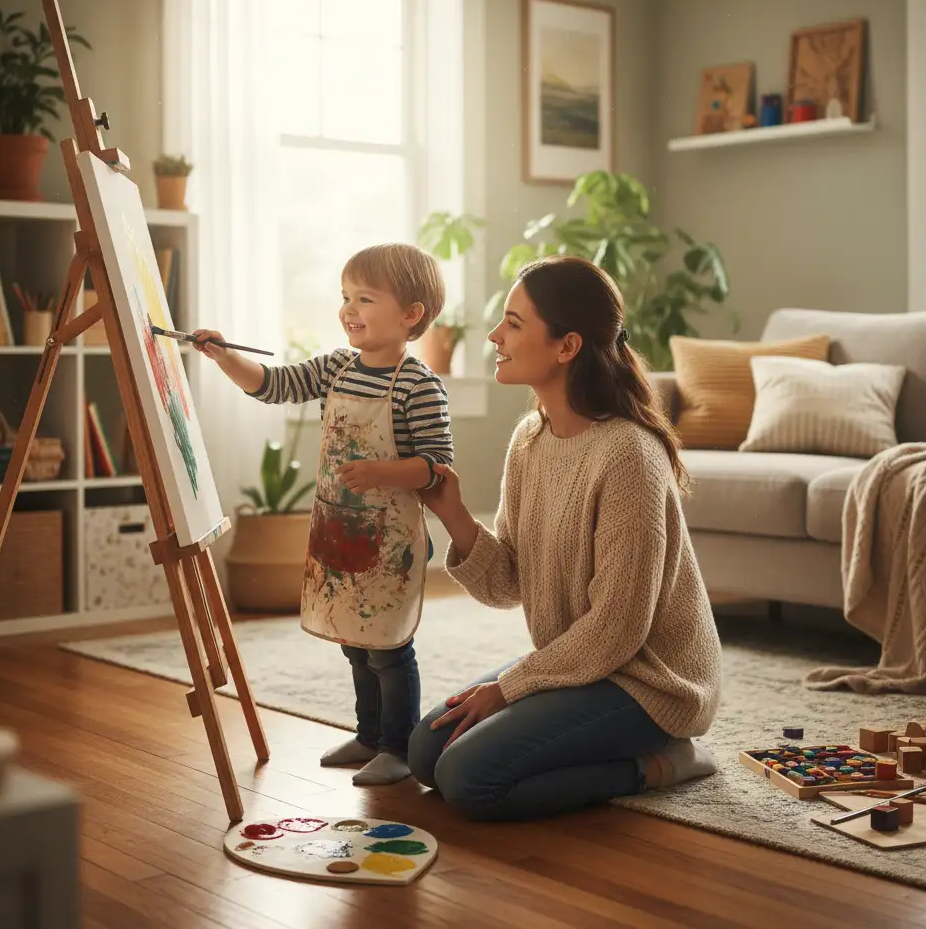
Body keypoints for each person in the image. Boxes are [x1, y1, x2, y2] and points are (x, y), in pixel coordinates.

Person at [408, 255, 722, 821]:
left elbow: (616, 629)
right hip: (581, 663)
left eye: (514, 323)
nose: (495, 335)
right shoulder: (530, 438)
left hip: (650, 683)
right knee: (426, 752)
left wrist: (509, 687)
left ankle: (664, 762)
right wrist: (452, 513)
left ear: (567, 346)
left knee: (468, 778)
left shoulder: (628, 455)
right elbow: (508, 584)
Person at [194, 242, 453, 786]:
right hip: (337, 527)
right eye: (345, 296)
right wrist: (224, 356)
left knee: (387, 646)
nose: (348, 309)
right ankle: (368, 736)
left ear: (411, 315)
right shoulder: (336, 367)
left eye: (364, 298)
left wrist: (382, 472)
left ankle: (399, 747)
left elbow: (437, 468)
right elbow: (273, 385)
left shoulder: (418, 385)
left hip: (391, 538)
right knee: (352, 640)